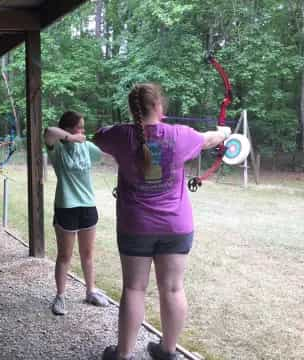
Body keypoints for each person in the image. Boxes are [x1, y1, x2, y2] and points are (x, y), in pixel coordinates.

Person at [94, 83, 231, 360]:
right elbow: (209, 139)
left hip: (136, 226)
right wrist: (224, 132)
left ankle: (122, 355)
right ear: (158, 106)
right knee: (173, 288)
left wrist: (125, 128)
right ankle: (167, 352)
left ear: (132, 108)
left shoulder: (121, 135)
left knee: (134, 287)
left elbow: (97, 137)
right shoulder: (181, 135)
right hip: (175, 226)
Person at [44, 111, 110, 316]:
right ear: (68, 129)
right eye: (78, 128)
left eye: (83, 128)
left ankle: (90, 291)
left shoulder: (87, 147)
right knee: (65, 255)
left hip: (88, 206)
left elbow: (108, 155)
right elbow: (49, 132)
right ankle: (60, 296)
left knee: (88, 253)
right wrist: (70, 138)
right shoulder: (57, 148)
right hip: (66, 206)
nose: (82, 131)